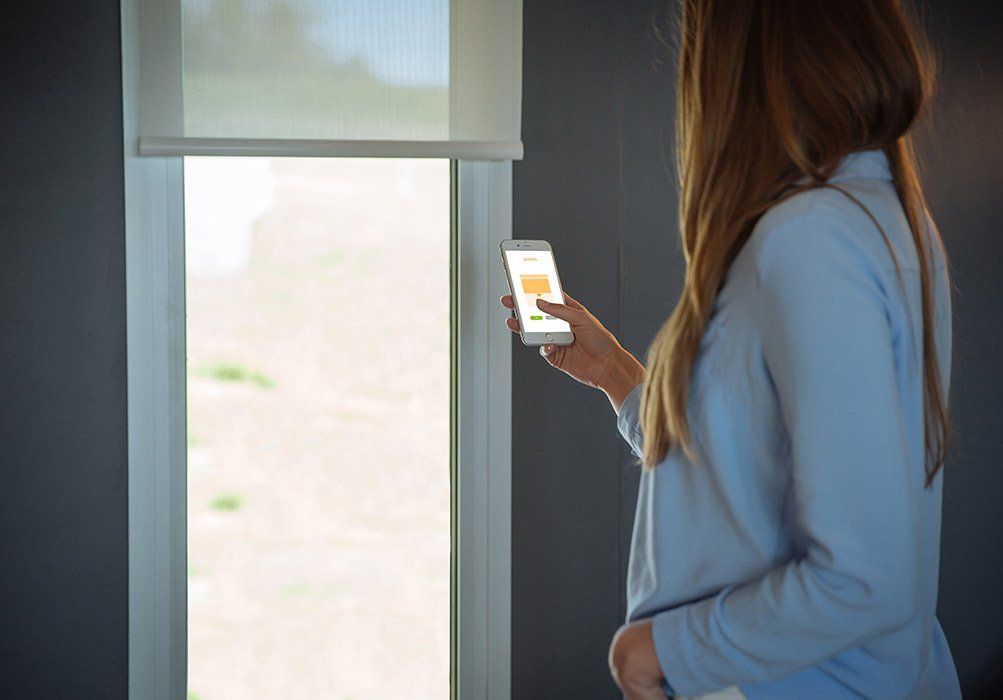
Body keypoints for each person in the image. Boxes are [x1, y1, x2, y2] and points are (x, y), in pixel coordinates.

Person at [500, 1, 961, 698]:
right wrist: (619, 376)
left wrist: (656, 651)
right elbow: (759, 471)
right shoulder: (888, 217)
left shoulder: (809, 238)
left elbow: (864, 577)